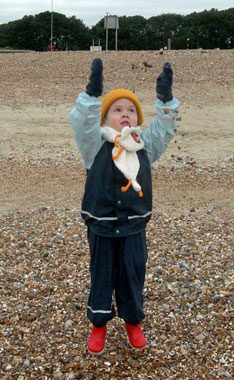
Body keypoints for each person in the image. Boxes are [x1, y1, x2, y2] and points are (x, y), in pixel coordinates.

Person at [70, 58, 179, 354]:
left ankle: (133, 321)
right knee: (102, 275)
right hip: (102, 223)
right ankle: (99, 325)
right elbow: (81, 121)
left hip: (133, 224)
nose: (125, 114)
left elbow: (164, 129)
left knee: (133, 274)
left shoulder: (145, 145)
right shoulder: (94, 144)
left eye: (130, 110)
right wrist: (92, 95)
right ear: (105, 119)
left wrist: (166, 101)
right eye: (117, 110)